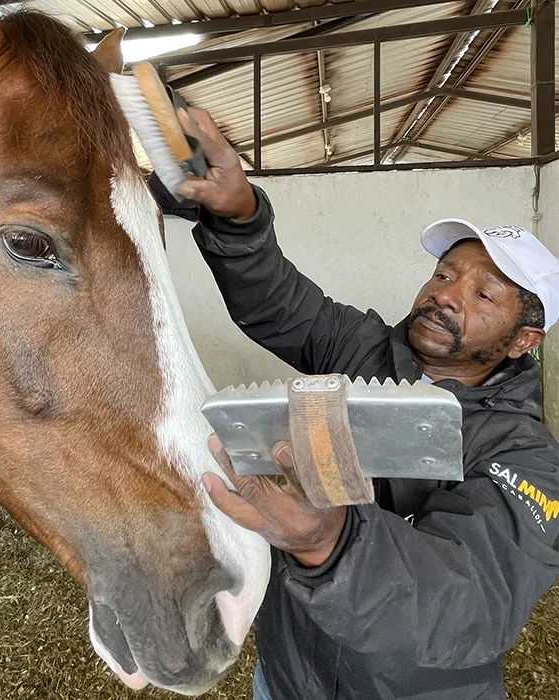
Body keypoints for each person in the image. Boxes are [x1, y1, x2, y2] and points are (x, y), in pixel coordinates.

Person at [147, 107, 559, 700]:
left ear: (524, 340)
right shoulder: (365, 350)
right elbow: (282, 304)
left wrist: (330, 542)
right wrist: (239, 218)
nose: (445, 296)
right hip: (288, 676)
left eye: (482, 294)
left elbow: (473, 593)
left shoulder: (525, 457)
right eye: (444, 274)